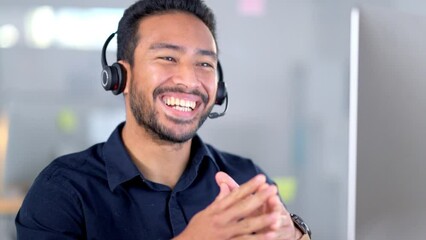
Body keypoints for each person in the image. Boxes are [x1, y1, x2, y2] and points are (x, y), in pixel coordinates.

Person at [15, 0, 311, 239]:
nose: (189, 80)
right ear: (121, 77)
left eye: (205, 63)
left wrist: (295, 236)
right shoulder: (62, 191)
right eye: (168, 58)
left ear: (218, 89)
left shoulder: (245, 180)